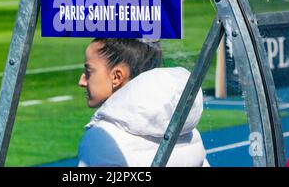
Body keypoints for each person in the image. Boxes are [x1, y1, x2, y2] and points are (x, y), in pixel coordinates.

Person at [77, 38, 208, 167]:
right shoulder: (186, 131)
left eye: (89, 71)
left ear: (116, 77)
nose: (81, 81)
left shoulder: (101, 139)